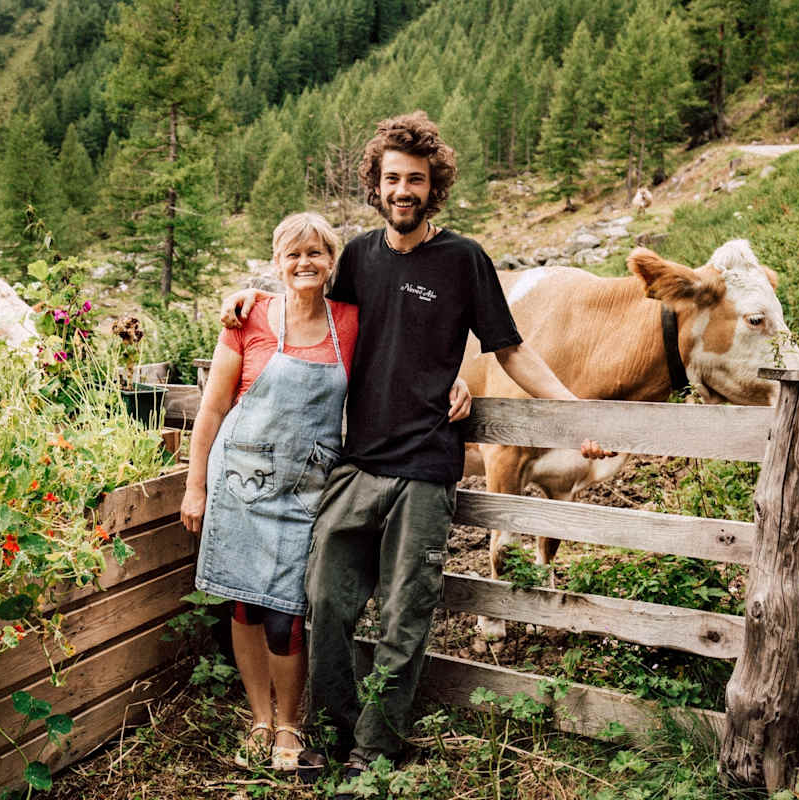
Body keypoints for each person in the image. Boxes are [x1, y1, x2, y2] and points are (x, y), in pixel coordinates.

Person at [221, 112, 607, 796]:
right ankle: (338, 729)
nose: (404, 190)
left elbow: (510, 348)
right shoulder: (360, 260)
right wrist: (247, 300)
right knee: (325, 603)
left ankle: (375, 750)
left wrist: (573, 410)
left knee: (406, 615)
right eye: (392, 178)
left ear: (435, 188)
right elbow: (305, 307)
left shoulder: (464, 260)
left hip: (428, 470)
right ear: (376, 184)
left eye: (417, 180)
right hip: (358, 464)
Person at [181, 211, 473, 773]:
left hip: (306, 490)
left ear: (332, 261)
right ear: (276, 263)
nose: (304, 263)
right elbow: (214, 407)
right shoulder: (248, 319)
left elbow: (406, 359)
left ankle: (289, 725)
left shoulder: (351, 321)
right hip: (239, 482)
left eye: (316, 253)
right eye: (293, 254)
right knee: (242, 607)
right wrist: (196, 486)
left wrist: (451, 378)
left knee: (287, 614)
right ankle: (258, 719)